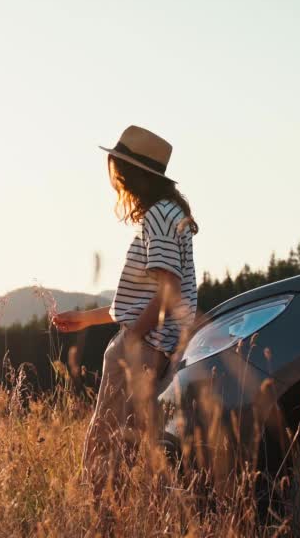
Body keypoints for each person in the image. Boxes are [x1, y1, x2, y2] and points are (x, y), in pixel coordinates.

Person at [52, 125, 199, 490]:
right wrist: (87, 320)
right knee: (127, 452)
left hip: (143, 350)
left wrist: (131, 340)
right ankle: (114, 535)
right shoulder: (169, 213)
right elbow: (145, 300)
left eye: (117, 167)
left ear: (131, 173)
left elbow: (167, 293)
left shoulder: (158, 217)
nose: (113, 176)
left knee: (105, 452)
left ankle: (100, 535)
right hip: (158, 348)